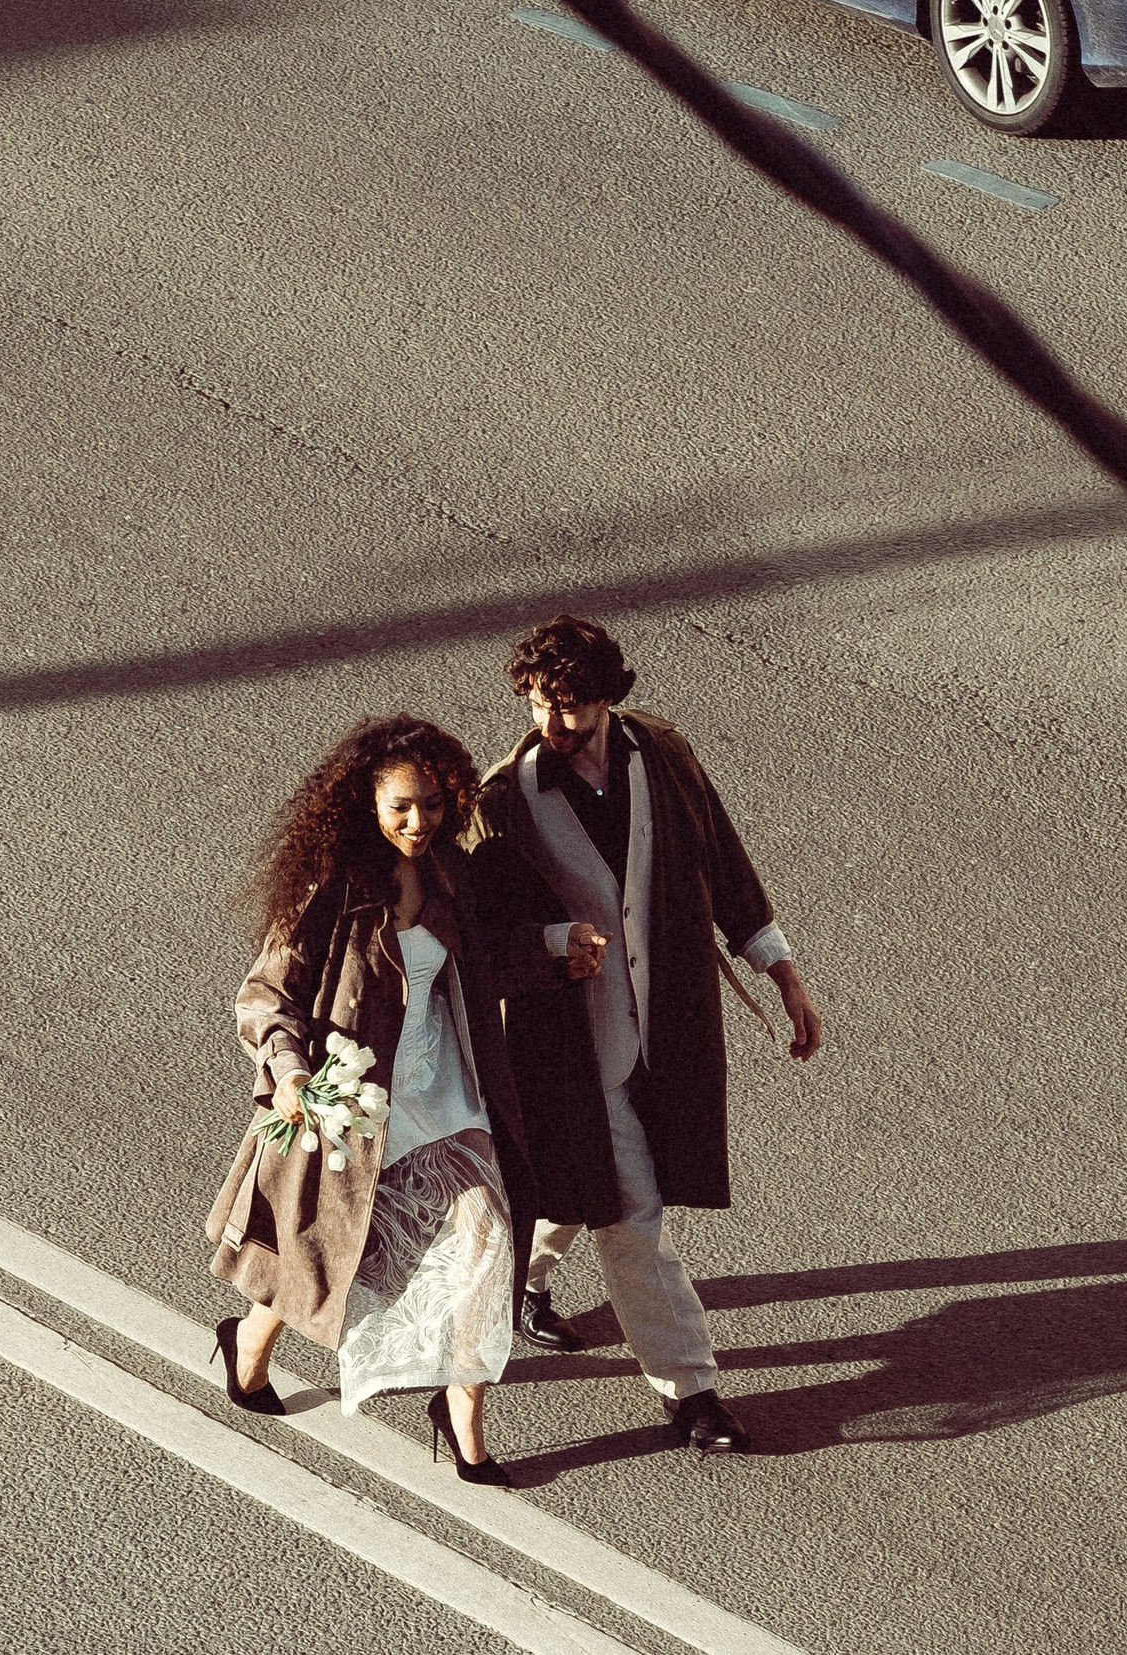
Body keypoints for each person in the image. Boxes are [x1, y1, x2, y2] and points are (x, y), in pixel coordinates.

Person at [206, 715, 603, 1481]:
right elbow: (265, 995)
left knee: (487, 1245)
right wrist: (290, 1073)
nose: (418, 823)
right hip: (357, 1109)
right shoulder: (335, 886)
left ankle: (462, 1422)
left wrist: (556, 949)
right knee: (329, 1256)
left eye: (430, 805)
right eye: (400, 809)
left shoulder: (451, 875)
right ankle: (248, 1344)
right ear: (368, 807)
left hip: (448, 1094)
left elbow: (482, 964)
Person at [468, 614, 821, 1453]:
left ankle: (531, 1285)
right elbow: (486, 938)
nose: (553, 724)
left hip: (670, 1028)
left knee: (579, 1180)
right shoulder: (502, 800)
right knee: (632, 1212)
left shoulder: (663, 753)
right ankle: (691, 1391)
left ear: (608, 697)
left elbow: (723, 862)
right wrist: (554, 945)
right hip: (569, 1047)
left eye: (571, 706)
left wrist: (782, 971)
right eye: (539, 705)